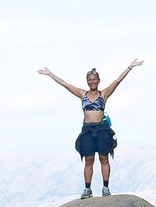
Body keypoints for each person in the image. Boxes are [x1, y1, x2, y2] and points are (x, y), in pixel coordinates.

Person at [37, 60, 144, 197]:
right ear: (87, 81)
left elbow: (117, 81)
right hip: (87, 130)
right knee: (88, 160)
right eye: (90, 80)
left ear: (98, 80)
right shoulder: (82, 94)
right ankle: (87, 189)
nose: (92, 82)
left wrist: (130, 67)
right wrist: (50, 74)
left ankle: (105, 188)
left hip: (102, 129)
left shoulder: (104, 94)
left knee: (104, 159)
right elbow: (65, 84)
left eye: (94, 79)